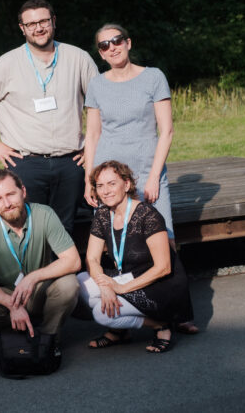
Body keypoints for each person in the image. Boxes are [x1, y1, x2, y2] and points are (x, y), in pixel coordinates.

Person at [82, 24, 198, 334]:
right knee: (113, 244)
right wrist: (88, 181)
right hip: (109, 183)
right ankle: (121, 316)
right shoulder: (96, 85)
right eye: (104, 45)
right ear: (100, 52)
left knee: (166, 243)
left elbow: (167, 131)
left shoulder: (153, 77)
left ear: (129, 42)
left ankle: (178, 311)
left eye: (117, 41)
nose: (112, 47)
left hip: (147, 174)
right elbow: (92, 135)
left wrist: (153, 177)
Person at [0, 0, 98, 235]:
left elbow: (98, 105)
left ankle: (63, 272)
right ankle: (33, 273)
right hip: (25, 162)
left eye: (43, 21)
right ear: (22, 28)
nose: (38, 28)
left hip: (71, 162)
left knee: (65, 229)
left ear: (54, 21)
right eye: (31, 24)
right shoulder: (6, 64)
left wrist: (92, 147)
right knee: (28, 229)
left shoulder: (78, 58)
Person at [77, 160, 194, 353]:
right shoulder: (103, 215)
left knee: (101, 313)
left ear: (127, 184)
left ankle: (160, 325)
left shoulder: (148, 215)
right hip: (129, 274)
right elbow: (92, 259)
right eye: (100, 186)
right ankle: (120, 331)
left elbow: (163, 267)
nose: (105, 191)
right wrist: (105, 285)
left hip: (159, 284)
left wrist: (120, 288)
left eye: (112, 184)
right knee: (79, 283)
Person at [0, 169, 80, 346]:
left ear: (23, 191)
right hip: (8, 293)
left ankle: (48, 337)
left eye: (11, 194)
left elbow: (73, 260)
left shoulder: (44, 214)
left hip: (39, 289)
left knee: (69, 285)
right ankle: (15, 337)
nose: (7, 203)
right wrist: (12, 305)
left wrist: (32, 277)